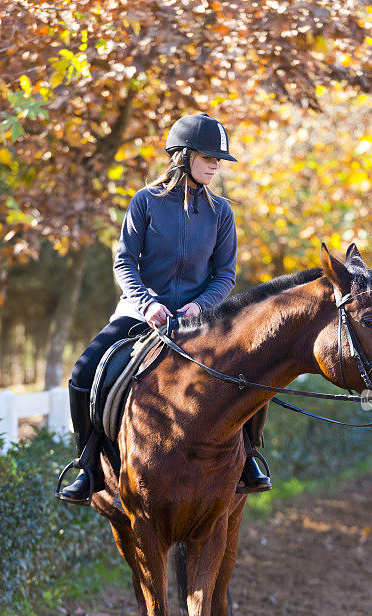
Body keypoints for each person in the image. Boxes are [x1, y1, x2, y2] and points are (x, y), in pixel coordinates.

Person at [57, 112, 271, 504]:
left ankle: (250, 457)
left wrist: (199, 307)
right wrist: (147, 304)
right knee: (83, 371)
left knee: (251, 368)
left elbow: (225, 275)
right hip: (140, 313)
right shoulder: (145, 202)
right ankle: (87, 465)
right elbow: (125, 262)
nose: (215, 164)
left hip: (197, 319)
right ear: (183, 156)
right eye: (208, 156)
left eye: (218, 158)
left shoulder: (221, 212)